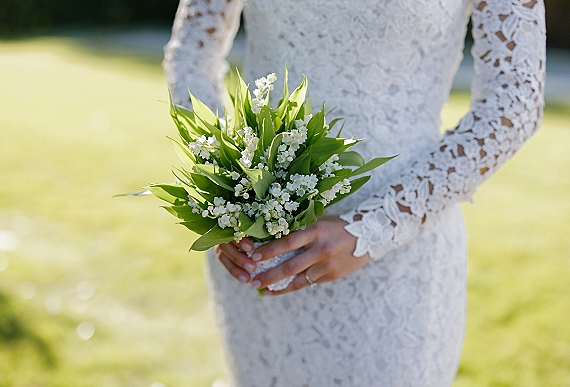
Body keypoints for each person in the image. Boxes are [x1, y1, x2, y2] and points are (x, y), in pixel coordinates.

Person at [163, 0, 546, 386]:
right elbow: (191, 56)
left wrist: (372, 229)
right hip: (260, 244)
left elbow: (515, 98)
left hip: (397, 252)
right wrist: (226, 192)